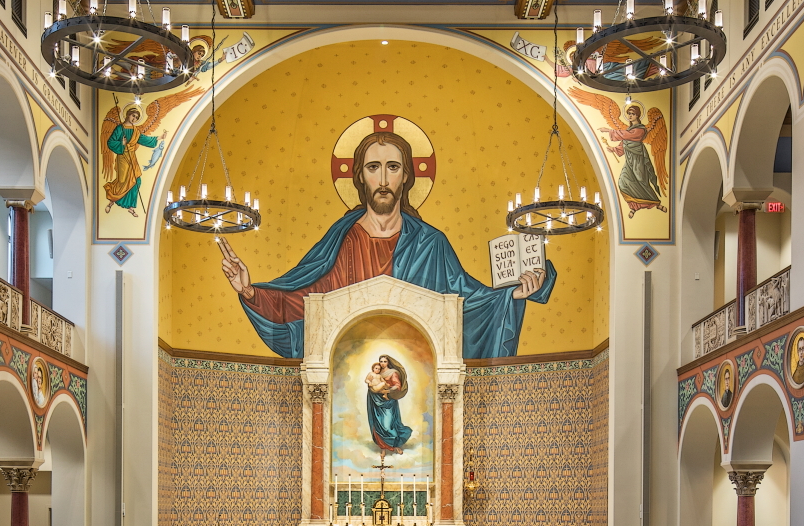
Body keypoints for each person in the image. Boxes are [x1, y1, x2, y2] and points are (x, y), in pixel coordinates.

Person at [218, 130, 554, 359]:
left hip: (417, 370)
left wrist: (513, 294)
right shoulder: (342, 242)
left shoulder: (430, 244)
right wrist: (249, 292)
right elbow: (303, 302)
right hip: (348, 370)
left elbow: (466, 302)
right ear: (360, 176)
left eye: (392, 167)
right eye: (373, 167)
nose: (382, 180)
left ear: (406, 175)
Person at [364, 354, 412, 456]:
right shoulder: (376, 372)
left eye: (384, 361)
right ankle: (383, 447)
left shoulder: (393, 373)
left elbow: (397, 386)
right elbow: (369, 381)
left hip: (388, 401)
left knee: (388, 425)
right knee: (378, 424)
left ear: (388, 362)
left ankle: (395, 446)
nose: (382, 363)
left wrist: (387, 390)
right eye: (381, 361)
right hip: (376, 401)